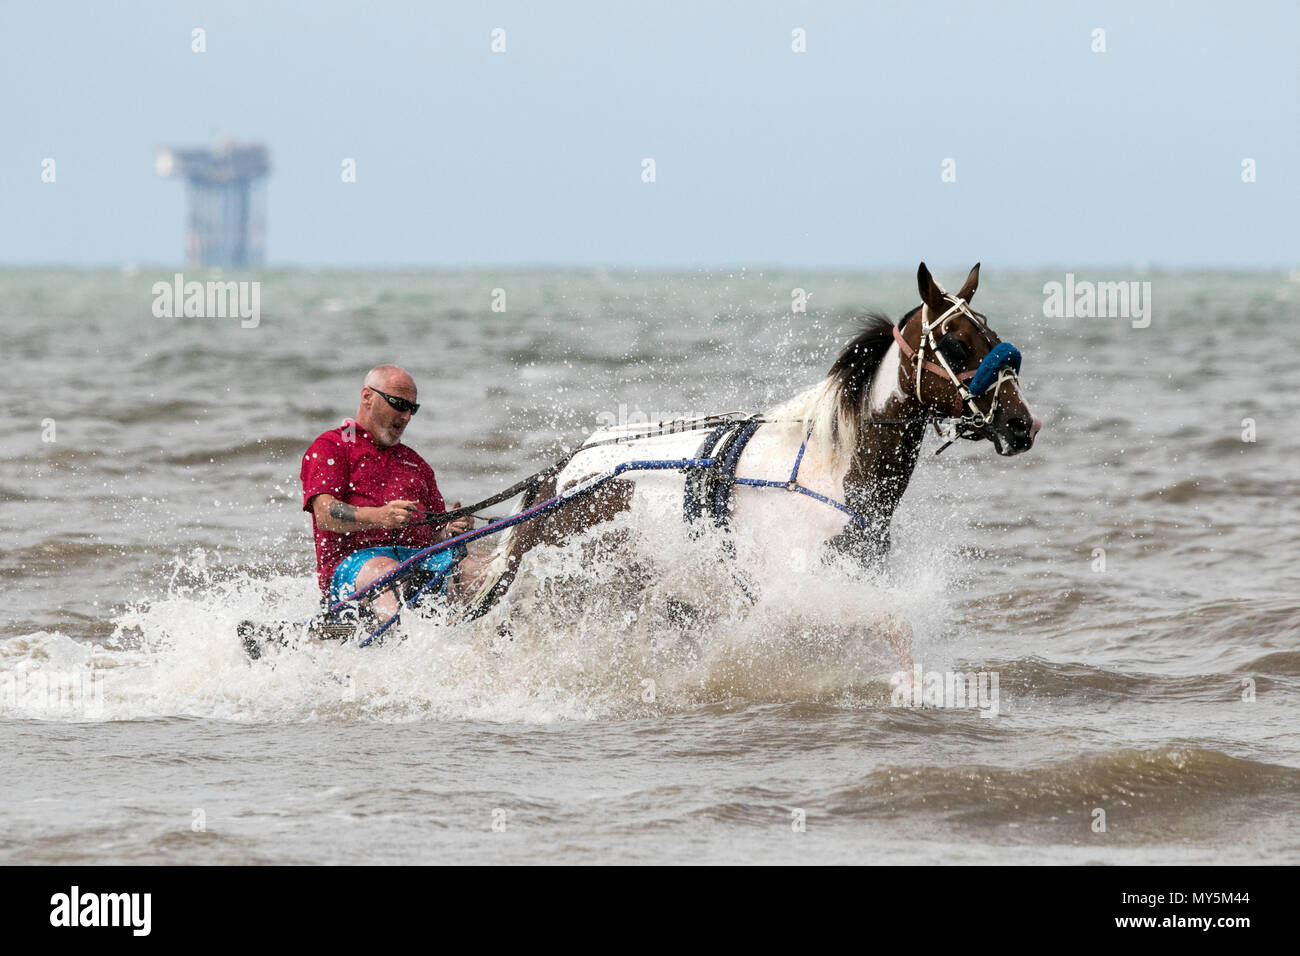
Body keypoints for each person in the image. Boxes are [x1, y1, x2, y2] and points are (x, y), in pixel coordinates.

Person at [300, 365, 481, 621]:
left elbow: (434, 537)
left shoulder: (416, 463)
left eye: (412, 409)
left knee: (483, 568)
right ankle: (404, 643)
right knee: (389, 571)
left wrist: (450, 529)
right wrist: (380, 516)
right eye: (399, 404)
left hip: (418, 563)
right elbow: (326, 515)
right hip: (355, 572)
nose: (406, 416)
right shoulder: (332, 447)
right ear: (367, 397)